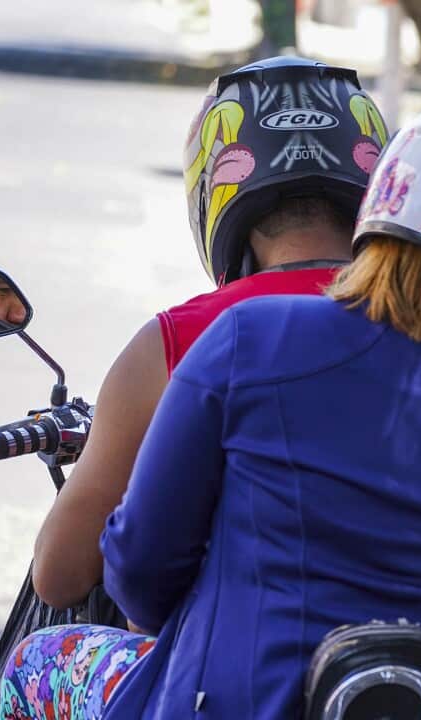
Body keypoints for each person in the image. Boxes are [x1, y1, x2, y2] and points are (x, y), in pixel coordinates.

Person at [4, 100, 421, 720]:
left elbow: (141, 572)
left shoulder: (247, 337)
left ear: (387, 196)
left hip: (232, 702)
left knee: (39, 661)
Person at [29, 55, 391, 612]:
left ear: (215, 190)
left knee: (38, 660)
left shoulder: (181, 340)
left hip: (227, 680)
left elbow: (60, 575)